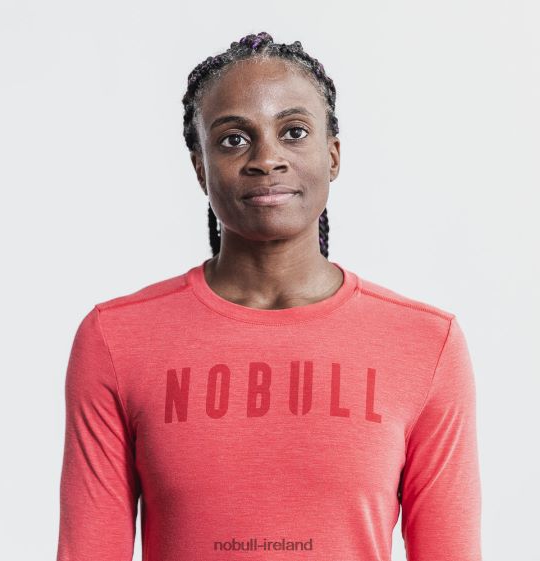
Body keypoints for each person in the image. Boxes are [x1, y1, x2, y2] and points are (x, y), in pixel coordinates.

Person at [56, 31, 482, 561]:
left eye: (294, 132)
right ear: (199, 166)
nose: (266, 158)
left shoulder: (425, 343)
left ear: (333, 156)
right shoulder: (117, 339)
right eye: (233, 139)